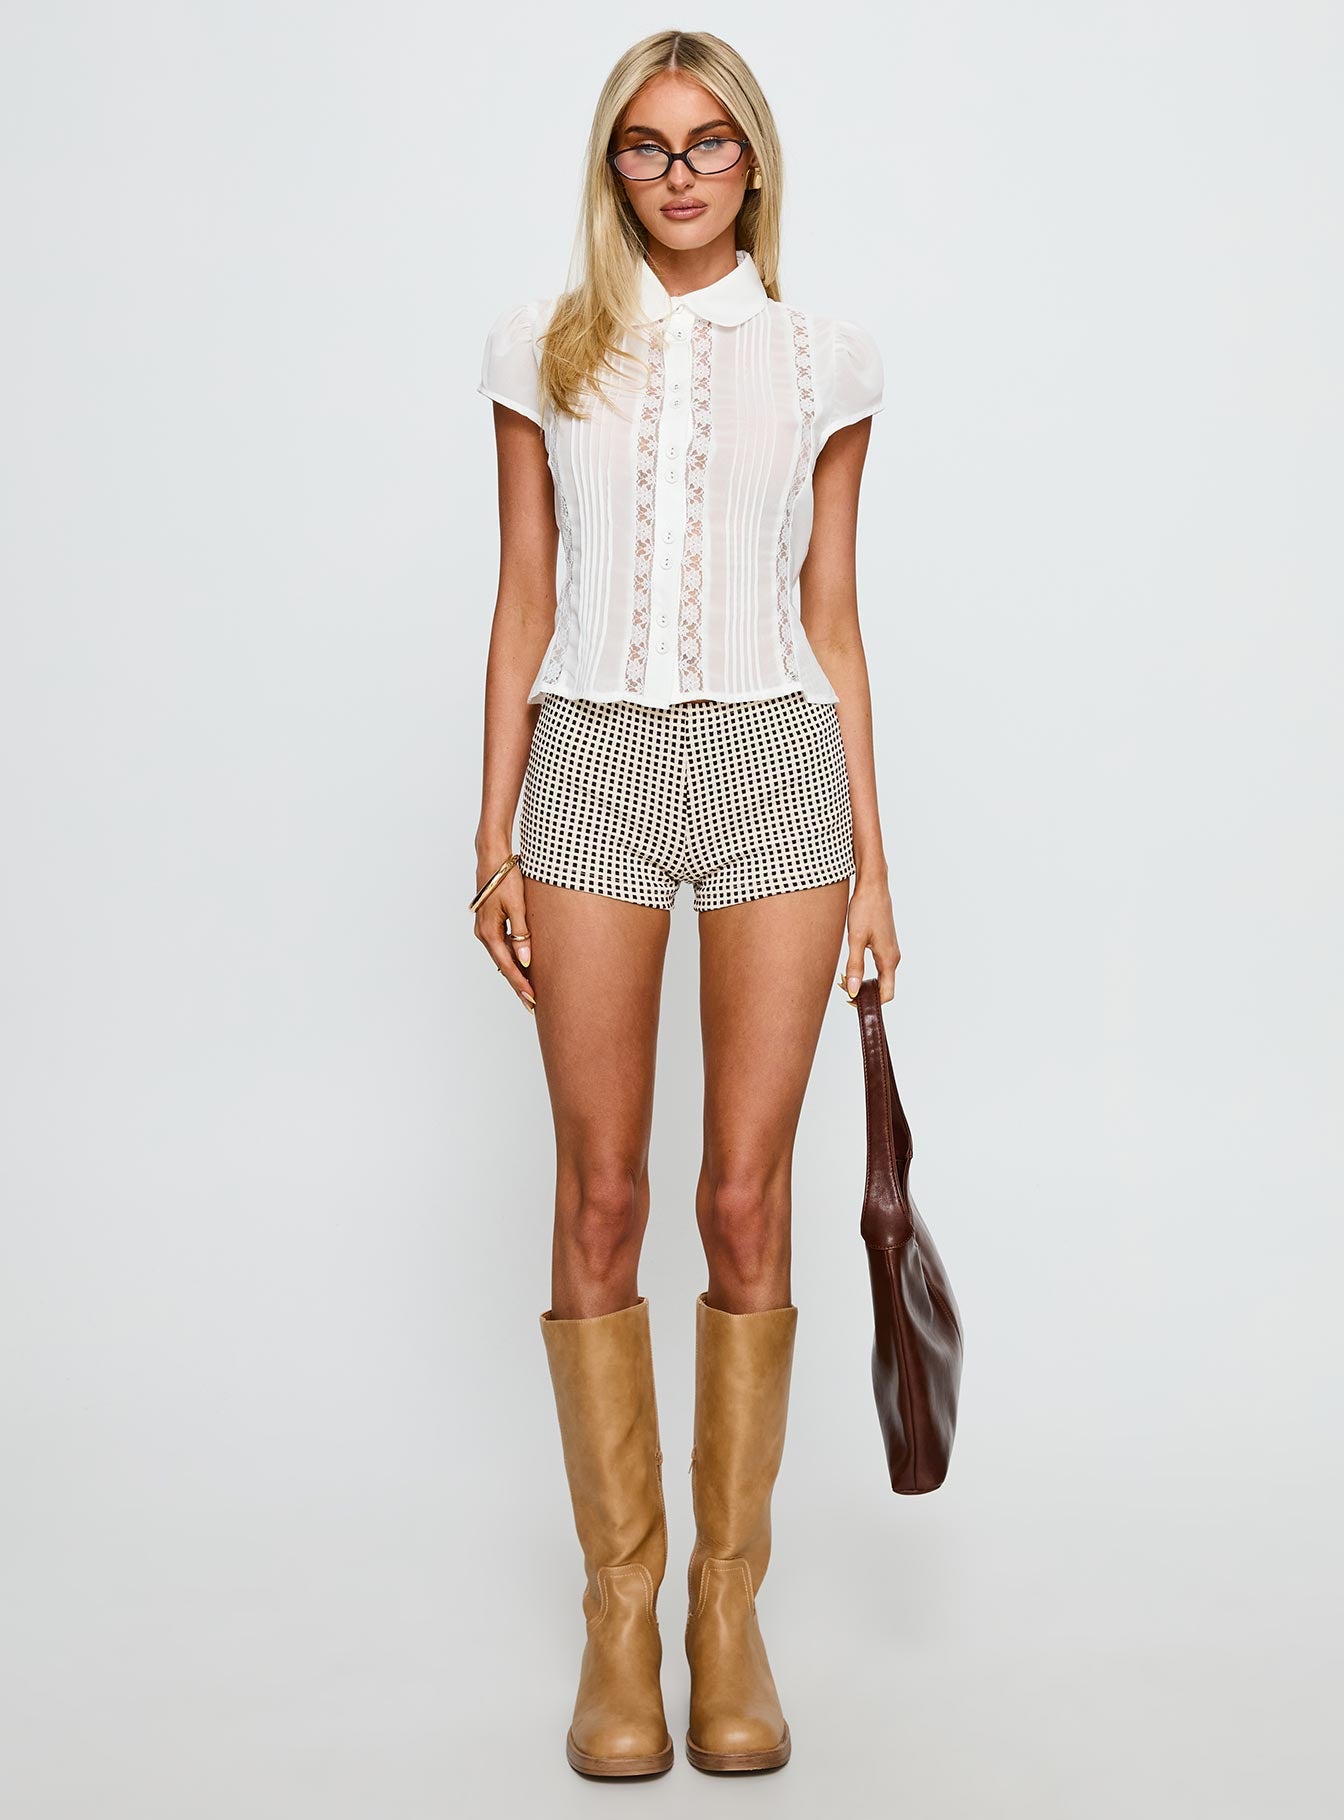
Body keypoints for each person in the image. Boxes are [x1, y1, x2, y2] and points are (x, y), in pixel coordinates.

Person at [472, 28, 899, 1779]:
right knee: (601, 1191)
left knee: (741, 1197)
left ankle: (729, 1612)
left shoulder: (826, 356)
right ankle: (619, 1619)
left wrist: (875, 863)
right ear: (614, 169)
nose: (681, 173)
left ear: (755, 162)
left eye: (710, 143)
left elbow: (834, 614)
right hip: (590, 767)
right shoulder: (543, 346)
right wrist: (491, 836)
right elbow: (522, 595)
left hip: (775, 771)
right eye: (648, 147)